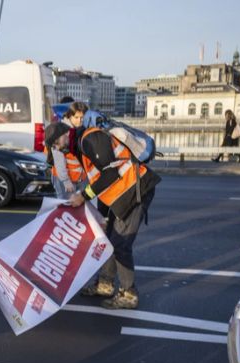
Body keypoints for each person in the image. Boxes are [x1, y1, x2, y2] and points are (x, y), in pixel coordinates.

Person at [56, 121, 162, 310]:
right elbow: (100, 180)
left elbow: (110, 175)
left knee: (120, 244)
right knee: (108, 239)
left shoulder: (90, 138)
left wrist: (83, 196)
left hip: (136, 190)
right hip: (124, 193)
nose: (57, 148)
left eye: (55, 143)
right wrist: (102, 217)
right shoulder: (81, 146)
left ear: (65, 135)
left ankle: (129, 294)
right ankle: (105, 284)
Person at [49, 101, 88, 199]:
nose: (80, 120)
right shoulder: (59, 132)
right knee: (65, 207)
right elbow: (59, 161)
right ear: (70, 116)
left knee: (79, 209)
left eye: (82, 117)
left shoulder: (82, 129)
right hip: (64, 179)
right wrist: (66, 181)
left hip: (81, 178)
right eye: (76, 117)